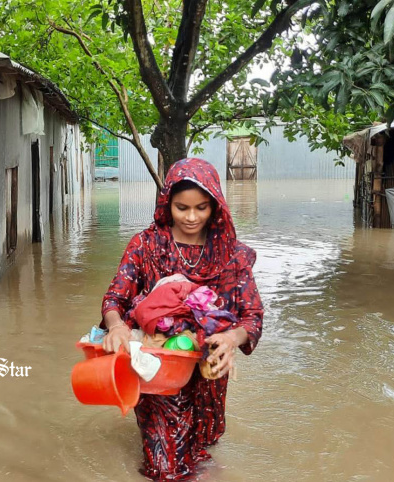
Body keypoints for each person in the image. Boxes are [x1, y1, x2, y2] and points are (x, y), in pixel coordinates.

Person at [100, 158, 263, 480]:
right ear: (166, 204)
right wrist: (117, 326)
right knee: (164, 465)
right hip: (156, 367)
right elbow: (114, 298)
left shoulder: (231, 255)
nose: (191, 217)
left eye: (201, 208)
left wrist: (231, 339)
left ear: (215, 206)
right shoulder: (145, 246)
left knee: (203, 449)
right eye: (181, 207)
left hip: (208, 367)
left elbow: (252, 316)